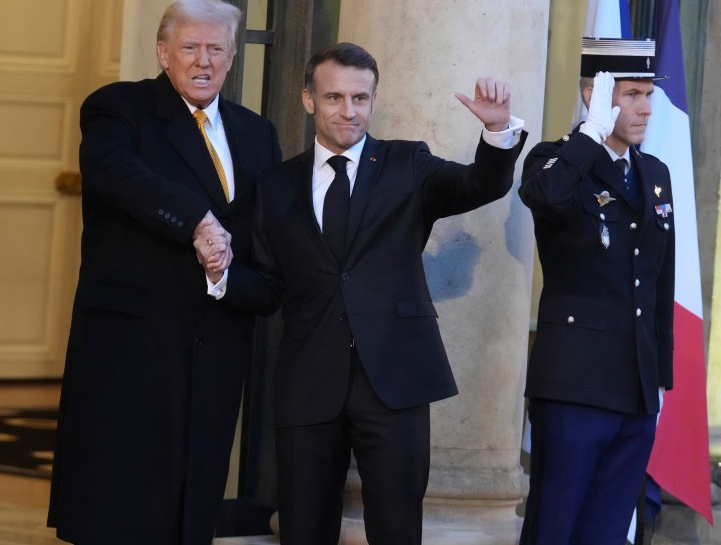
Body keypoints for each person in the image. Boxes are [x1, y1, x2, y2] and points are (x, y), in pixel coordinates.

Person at [198, 42, 526, 544]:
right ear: (309, 100)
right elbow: (268, 287)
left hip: (395, 377)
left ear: (373, 101)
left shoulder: (406, 163)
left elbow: (477, 185)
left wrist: (496, 132)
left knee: (397, 529)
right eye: (334, 98)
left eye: (360, 98)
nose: (348, 111)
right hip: (308, 380)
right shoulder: (276, 185)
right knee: (304, 530)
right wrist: (220, 275)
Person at [47, 0, 281, 545]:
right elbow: (116, 173)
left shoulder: (256, 133)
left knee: (191, 501)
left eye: (217, 49)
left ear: (231, 59)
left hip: (216, 337)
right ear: (162, 52)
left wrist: (239, 282)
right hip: (133, 341)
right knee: (121, 501)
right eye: (190, 47)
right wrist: (196, 219)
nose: (204, 61)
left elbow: (265, 234)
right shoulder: (118, 108)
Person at [518, 38, 674, 543]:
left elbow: (658, 280)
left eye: (648, 93)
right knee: (554, 527)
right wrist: (590, 135)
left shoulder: (654, 174)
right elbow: (544, 197)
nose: (646, 107)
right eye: (631, 94)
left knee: (606, 531)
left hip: (635, 385)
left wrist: (660, 374)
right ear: (595, 94)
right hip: (574, 385)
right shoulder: (556, 160)